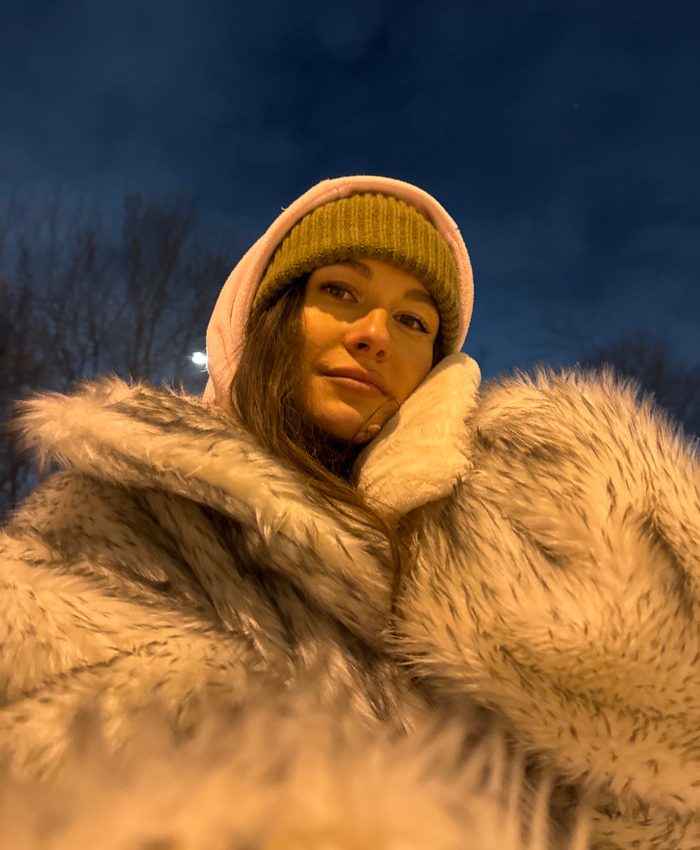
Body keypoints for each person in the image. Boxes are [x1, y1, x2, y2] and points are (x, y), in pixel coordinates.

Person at [0, 176, 698, 850]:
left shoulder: (473, 552)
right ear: (270, 315)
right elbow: (69, 770)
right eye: (340, 291)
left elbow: (646, 798)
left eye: (413, 320)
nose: (375, 334)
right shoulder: (120, 509)